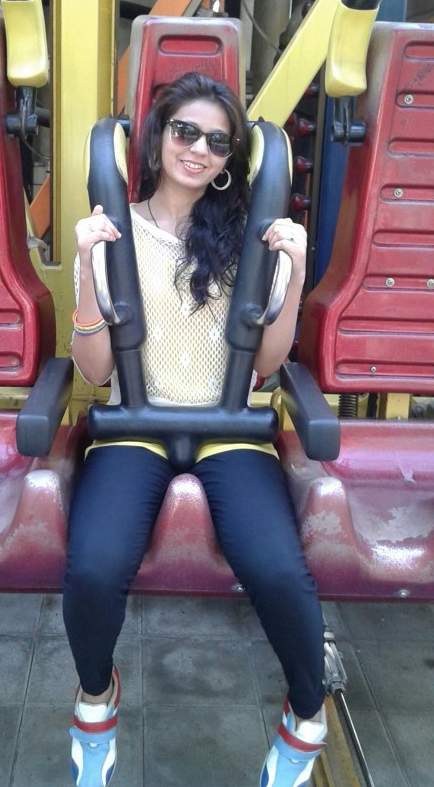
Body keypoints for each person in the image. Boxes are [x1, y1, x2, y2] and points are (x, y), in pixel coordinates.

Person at [65, 72, 326, 787]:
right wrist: (86, 267)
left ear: (229, 157)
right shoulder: (116, 229)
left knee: (277, 568)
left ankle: (306, 715)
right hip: (136, 424)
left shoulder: (246, 237)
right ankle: (96, 700)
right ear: (158, 137)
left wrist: (295, 271)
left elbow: (268, 363)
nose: (200, 149)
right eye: (186, 132)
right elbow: (92, 370)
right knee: (91, 567)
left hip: (229, 426)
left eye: (219, 140)